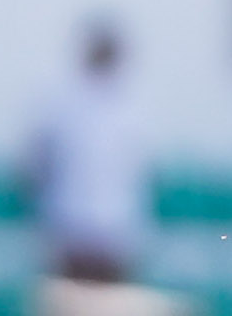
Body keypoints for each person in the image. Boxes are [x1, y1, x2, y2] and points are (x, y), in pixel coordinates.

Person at [28, 18, 148, 283]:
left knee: (111, 312)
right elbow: (38, 163)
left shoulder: (129, 106)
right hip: (71, 225)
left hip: (114, 227)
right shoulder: (61, 103)